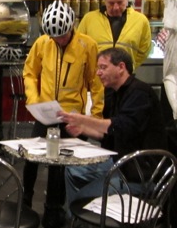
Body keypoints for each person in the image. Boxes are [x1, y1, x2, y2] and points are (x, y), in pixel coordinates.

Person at [22, 0, 104, 207]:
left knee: (61, 167)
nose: (58, 40)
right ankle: (25, 200)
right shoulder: (42, 43)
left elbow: (96, 84)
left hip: (73, 117)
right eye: (54, 37)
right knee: (31, 158)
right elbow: (30, 73)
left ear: (72, 27)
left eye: (63, 36)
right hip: (46, 113)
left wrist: (95, 118)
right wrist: (34, 100)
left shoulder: (87, 46)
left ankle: (55, 209)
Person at [59, 47, 166, 204]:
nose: (98, 73)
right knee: (72, 170)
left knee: (82, 198)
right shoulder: (114, 93)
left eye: (103, 67)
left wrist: (82, 120)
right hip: (121, 162)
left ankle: (85, 212)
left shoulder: (140, 93)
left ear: (121, 67)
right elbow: (112, 134)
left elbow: (120, 126)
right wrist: (83, 129)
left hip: (140, 173)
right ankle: (84, 216)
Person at [77, 0, 151, 71]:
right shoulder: (89, 19)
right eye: (111, 3)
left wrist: (127, 68)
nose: (116, 7)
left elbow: (144, 51)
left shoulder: (141, 21)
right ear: (104, 0)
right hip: (96, 78)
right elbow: (79, 47)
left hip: (125, 78)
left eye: (120, 3)